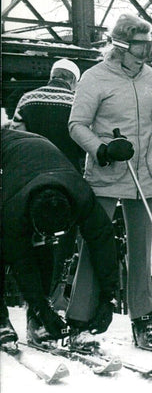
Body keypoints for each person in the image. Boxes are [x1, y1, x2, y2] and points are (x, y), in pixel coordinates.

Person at [67, 13, 152, 350]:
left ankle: (143, 317)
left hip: (145, 172)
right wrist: (103, 149)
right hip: (108, 171)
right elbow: (77, 124)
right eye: (141, 46)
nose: (147, 52)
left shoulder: (148, 75)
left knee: (143, 249)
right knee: (96, 246)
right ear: (120, 45)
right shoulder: (95, 78)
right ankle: (78, 319)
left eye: (149, 44)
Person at [1, 126, 119, 349]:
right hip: (8, 160)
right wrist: (41, 307)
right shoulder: (13, 210)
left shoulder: (82, 197)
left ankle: (37, 319)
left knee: (44, 248)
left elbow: (103, 242)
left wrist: (108, 299)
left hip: (39, 156)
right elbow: (21, 261)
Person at [11, 58, 85, 305]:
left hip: (31, 181)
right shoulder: (77, 102)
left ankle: (33, 299)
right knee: (64, 239)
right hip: (67, 181)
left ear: (53, 75)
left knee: (35, 238)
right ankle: (56, 294)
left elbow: (16, 139)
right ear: (73, 80)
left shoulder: (27, 99)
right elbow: (84, 142)